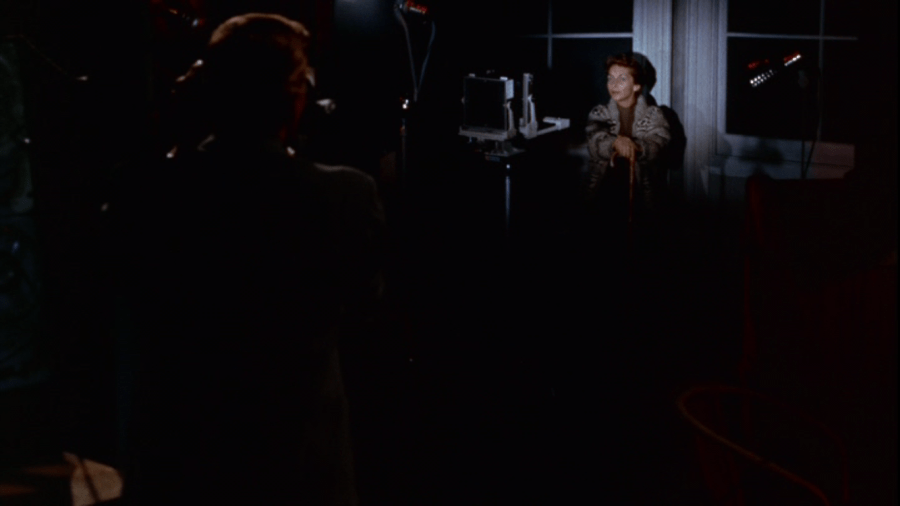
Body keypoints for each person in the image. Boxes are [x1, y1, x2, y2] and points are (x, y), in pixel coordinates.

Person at [113, 13, 384, 506]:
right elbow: (364, 312)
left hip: (183, 460)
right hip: (301, 460)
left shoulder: (152, 194)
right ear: (297, 99)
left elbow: (125, 288)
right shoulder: (345, 195)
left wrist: (177, 135)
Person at [583, 53, 671, 228]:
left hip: (642, 194)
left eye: (622, 79)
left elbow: (660, 143)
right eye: (610, 78)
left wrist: (638, 147)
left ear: (636, 85)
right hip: (603, 191)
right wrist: (614, 143)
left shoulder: (653, 114)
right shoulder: (599, 113)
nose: (613, 84)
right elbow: (594, 140)